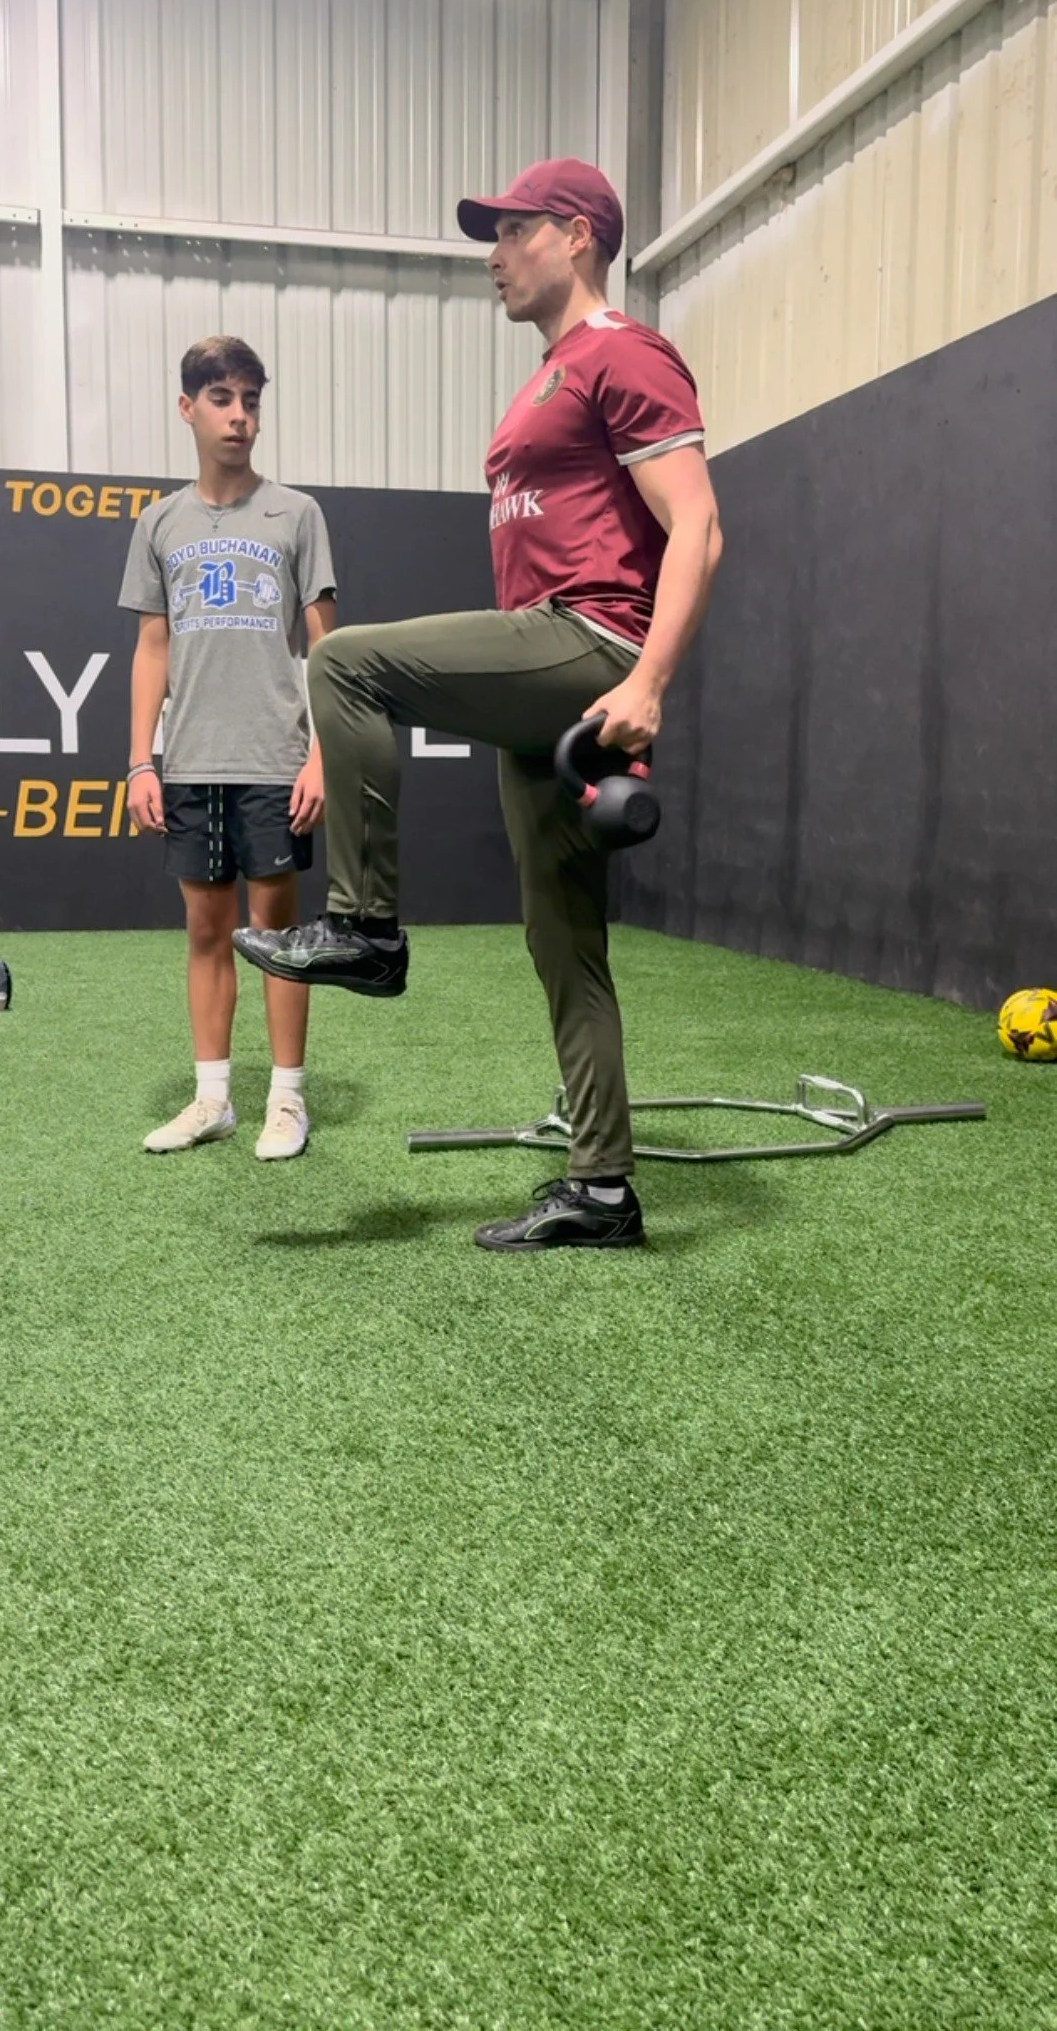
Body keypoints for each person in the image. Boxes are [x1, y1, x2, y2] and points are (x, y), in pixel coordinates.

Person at [233, 160, 722, 1249]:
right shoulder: (548, 376)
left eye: (513, 232)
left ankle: (364, 927)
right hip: (551, 678)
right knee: (564, 940)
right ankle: (602, 1191)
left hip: (591, 641)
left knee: (344, 663)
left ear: (578, 235)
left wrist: (648, 682)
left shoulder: (625, 351)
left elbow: (698, 524)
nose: (494, 256)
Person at [121, 334, 337, 1160]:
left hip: (275, 760)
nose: (239, 416)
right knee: (206, 935)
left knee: (277, 938)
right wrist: (141, 760)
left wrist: (322, 754)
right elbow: (152, 647)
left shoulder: (297, 514)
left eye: (251, 399)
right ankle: (213, 1099)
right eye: (221, 398)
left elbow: (327, 648)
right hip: (190, 761)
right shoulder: (160, 523)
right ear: (188, 408)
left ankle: (287, 1101)